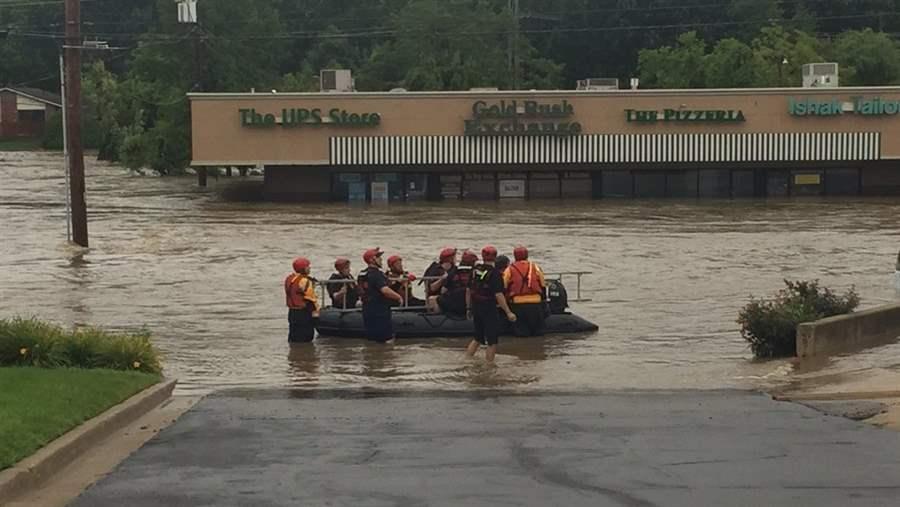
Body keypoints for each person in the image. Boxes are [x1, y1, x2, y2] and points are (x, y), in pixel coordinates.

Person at [466, 246, 516, 362]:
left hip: (476, 306)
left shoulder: (475, 270)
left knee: (477, 338)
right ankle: (489, 367)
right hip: (489, 308)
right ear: (495, 257)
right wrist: (508, 312)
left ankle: (467, 360)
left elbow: (468, 290)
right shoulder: (495, 274)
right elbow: (499, 295)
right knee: (492, 341)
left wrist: (468, 308)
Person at [361, 247, 403, 343]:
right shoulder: (376, 274)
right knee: (387, 339)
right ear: (372, 260)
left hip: (367, 309)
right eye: (378, 257)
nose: (381, 260)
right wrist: (398, 297)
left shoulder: (362, 273)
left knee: (372, 339)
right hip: (379, 310)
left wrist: (398, 283)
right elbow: (384, 290)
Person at [504, 246, 547, 336]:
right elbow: (543, 285)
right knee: (538, 333)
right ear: (527, 255)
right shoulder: (535, 267)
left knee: (521, 333)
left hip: (517, 304)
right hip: (536, 304)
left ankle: (522, 349)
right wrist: (544, 301)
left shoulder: (510, 269)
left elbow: (504, 286)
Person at [430, 250, 477, 316]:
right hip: (473, 300)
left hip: (455, 299)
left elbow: (443, 290)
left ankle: (439, 318)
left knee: (433, 299)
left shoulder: (453, 272)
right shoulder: (477, 272)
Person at [284, 257, 319, 343]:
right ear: (303, 268)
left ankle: (294, 353)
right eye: (308, 266)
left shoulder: (289, 278)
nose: (309, 268)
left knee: (293, 336)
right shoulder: (305, 281)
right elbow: (311, 300)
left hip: (292, 313)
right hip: (303, 313)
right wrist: (316, 316)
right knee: (306, 338)